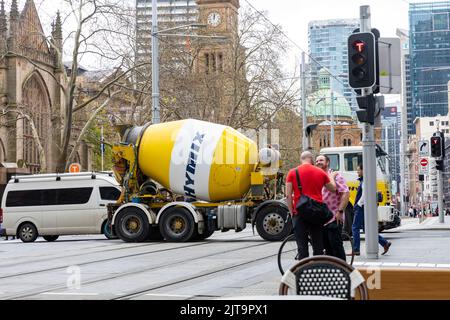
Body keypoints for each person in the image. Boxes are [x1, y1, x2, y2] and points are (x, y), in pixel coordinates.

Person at [286, 151, 338, 260]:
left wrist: (292, 212)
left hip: (299, 212)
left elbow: (288, 195)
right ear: (312, 160)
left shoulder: (292, 172)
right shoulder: (320, 172)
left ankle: (303, 272)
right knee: (318, 245)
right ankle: (317, 270)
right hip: (316, 212)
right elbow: (333, 188)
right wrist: (332, 176)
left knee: (302, 247)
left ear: (301, 159)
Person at [352, 163, 391, 256]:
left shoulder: (364, 181)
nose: (357, 171)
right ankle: (384, 243)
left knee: (355, 227)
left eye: (358, 170)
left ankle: (356, 249)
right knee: (368, 229)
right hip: (363, 207)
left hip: (361, 208)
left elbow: (364, 195)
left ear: (363, 171)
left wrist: (358, 205)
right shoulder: (364, 180)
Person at [316, 155, 349, 261]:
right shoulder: (316, 176)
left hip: (334, 217)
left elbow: (345, 193)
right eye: (316, 161)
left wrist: (340, 211)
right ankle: (333, 272)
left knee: (336, 247)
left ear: (328, 162)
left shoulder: (336, 176)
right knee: (327, 249)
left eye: (321, 160)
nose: (318, 162)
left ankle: (344, 271)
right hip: (321, 219)